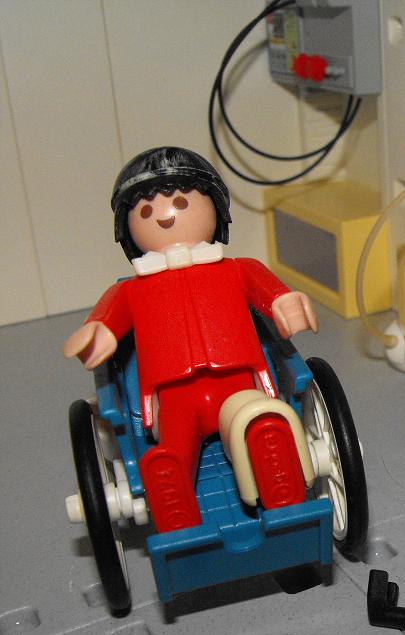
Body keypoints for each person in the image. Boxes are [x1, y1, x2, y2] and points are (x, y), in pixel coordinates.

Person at [63, 146, 318, 533]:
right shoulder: (132, 291)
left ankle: (271, 469)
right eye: (145, 212)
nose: (165, 216)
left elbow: (269, 290)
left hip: (236, 381)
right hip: (173, 396)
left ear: (215, 208)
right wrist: (98, 331)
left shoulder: (237, 269)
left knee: (251, 419)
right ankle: (171, 478)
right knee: (175, 442)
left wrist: (284, 302)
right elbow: (107, 317)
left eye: (181, 202)